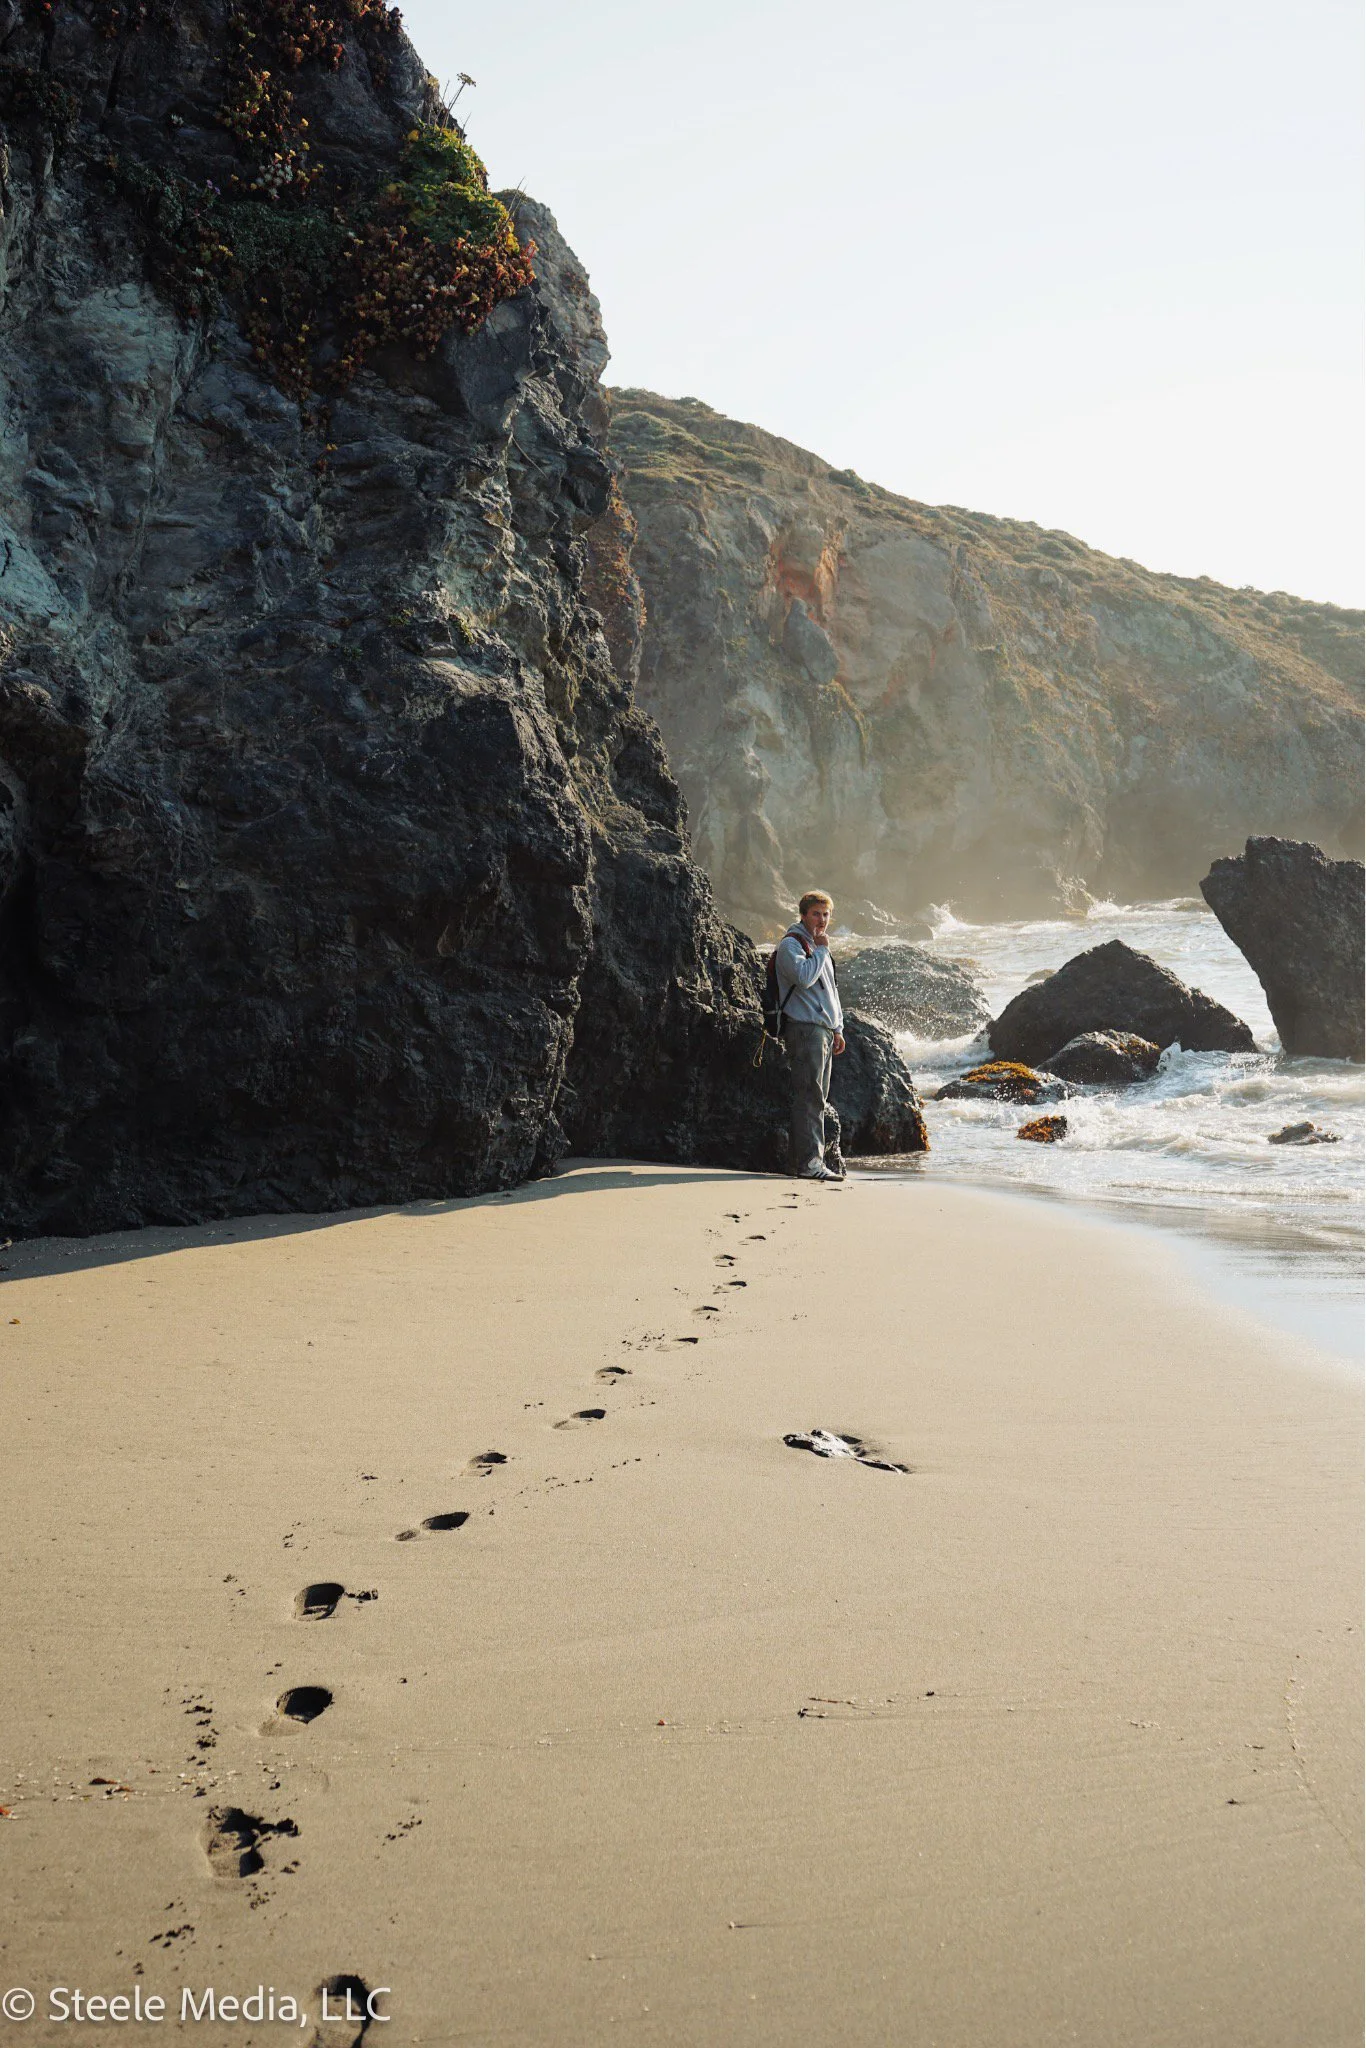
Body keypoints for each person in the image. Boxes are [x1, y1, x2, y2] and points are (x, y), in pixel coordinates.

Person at [774, 890, 846, 1181]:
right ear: (803, 914)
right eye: (816, 914)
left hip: (823, 1030)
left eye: (826, 914)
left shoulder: (817, 947)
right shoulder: (791, 945)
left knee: (818, 1097)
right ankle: (809, 1164)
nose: (822, 920)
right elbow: (804, 978)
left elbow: (830, 991)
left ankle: (808, 1162)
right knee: (810, 1097)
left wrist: (838, 1028)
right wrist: (822, 951)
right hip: (804, 1029)